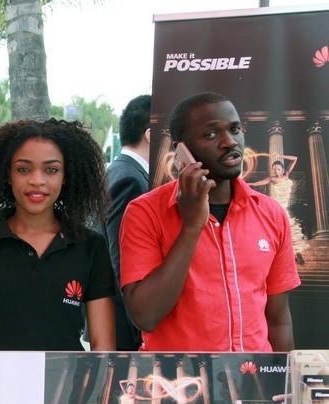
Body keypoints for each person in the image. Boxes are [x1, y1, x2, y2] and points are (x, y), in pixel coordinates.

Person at [120, 92, 300, 352]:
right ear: (182, 151)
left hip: (254, 374)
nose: (230, 142)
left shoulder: (271, 214)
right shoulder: (144, 212)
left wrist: (283, 374)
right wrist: (191, 227)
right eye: (211, 134)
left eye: (235, 129)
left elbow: (279, 320)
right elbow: (145, 316)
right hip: (178, 376)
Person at [0, 119, 116, 351]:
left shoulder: (91, 247)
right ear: (8, 175)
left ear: (66, 176)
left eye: (51, 170)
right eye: (23, 169)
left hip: (67, 376)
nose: (37, 180)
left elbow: (103, 347)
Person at [103, 94, 150, 351]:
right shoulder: (131, 179)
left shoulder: (119, 171)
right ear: (150, 134)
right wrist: (140, 326)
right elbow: (122, 259)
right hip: (124, 326)